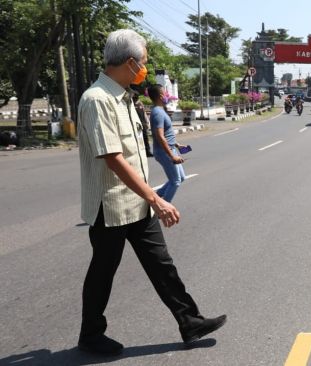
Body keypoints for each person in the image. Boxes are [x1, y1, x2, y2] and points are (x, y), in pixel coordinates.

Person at [77, 29, 226, 356]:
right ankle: (90, 335)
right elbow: (113, 159)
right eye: (143, 61)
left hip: (137, 204)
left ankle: (189, 320)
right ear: (130, 63)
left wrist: (148, 200)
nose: (145, 67)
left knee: (162, 264)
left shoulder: (125, 97)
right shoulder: (97, 100)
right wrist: (157, 198)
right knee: (103, 271)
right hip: (111, 206)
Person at [149, 84, 188, 202]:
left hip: (170, 149)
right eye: (166, 93)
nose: (168, 95)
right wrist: (172, 156)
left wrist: (176, 144)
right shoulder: (157, 113)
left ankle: (155, 198)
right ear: (161, 96)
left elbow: (166, 133)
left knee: (181, 178)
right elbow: (160, 136)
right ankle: (163, 209)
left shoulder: (160, 110)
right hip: (164, 152)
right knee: (175, 181)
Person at [131, 91, 153, 157]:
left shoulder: (140, 103)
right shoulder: (131, 104)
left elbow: (144, 113)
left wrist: (147, 122)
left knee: (145, 138)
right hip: (135, 124)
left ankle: (147, 152)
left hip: (142, 123)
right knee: (137, 139)